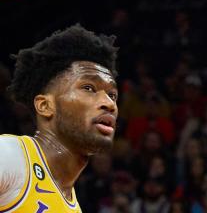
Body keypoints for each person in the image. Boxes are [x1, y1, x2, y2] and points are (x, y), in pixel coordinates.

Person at [0, 24, 119, 212]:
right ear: (45, 106)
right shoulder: (9, 156)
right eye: (88, 88)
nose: (109, 104)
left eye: (112, 95)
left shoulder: (73, 207)